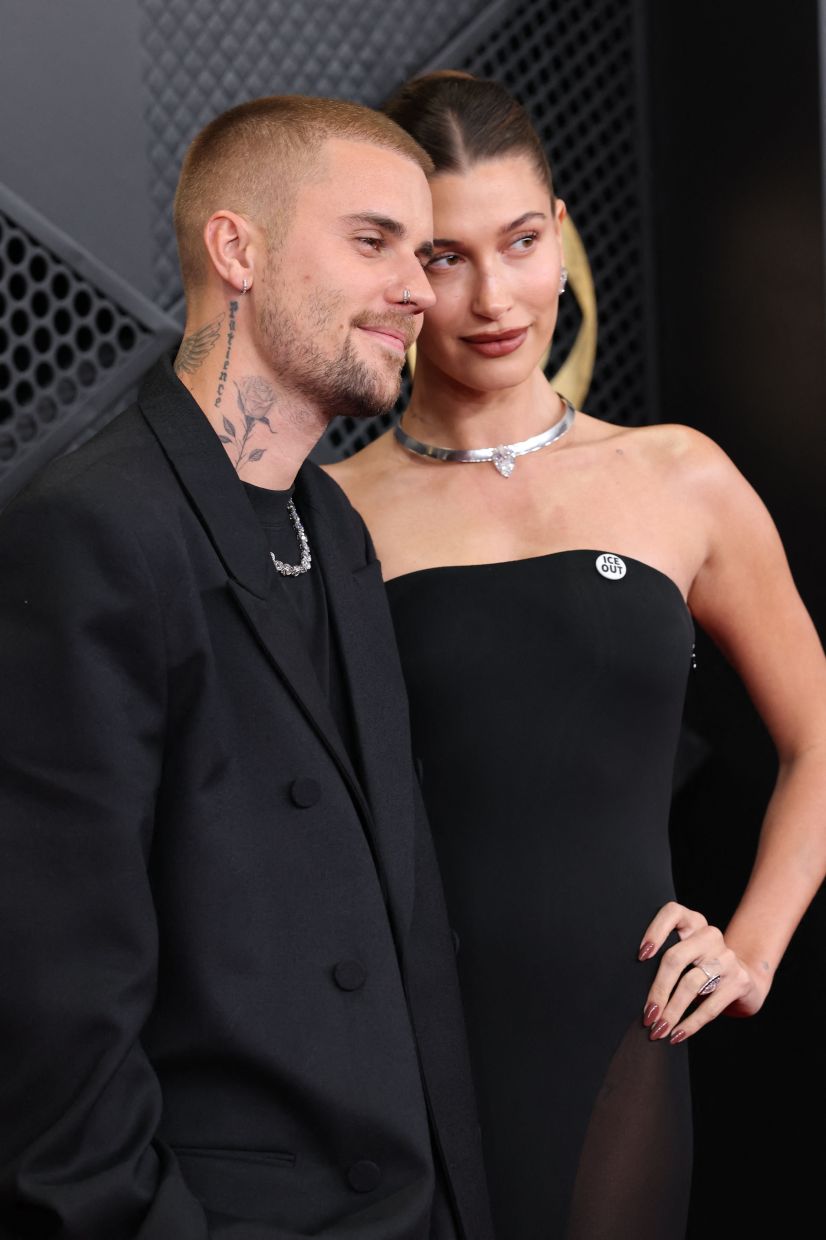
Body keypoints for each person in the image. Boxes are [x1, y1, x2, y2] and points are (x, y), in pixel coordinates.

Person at [327, 72, 826, 1240]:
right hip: (392, 1047)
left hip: (618, 1030)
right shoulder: (328, 513)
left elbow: (819, 733)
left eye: (517, 243)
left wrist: (748, 945)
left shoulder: (676, 476)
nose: (494, 296)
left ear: (559, 236)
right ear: (396, 272)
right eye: (445, 258)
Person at [0, 95, 495, 1240]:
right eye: (373, 243)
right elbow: (49, 1021)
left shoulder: (337, 526)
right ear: (239, 250)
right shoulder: (91, 534)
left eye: (420, 255)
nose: (421, 291)